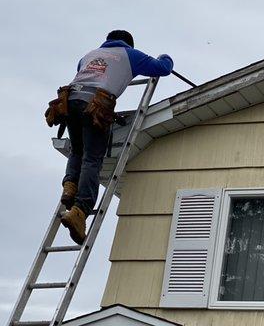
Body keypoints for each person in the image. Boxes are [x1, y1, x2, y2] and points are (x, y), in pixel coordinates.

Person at [50, 30, 174, 244]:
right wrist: (165, 57)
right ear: (129, 44)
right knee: (92, 158)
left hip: (69, 101)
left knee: (77, 150)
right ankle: (80, 210)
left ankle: (70, 185)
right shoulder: (130, 54)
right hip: (95, 104)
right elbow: (162, 69)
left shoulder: (89, 55)